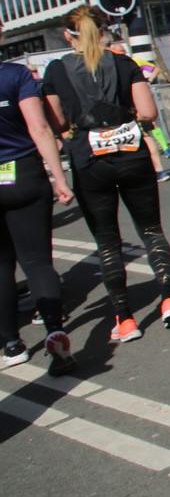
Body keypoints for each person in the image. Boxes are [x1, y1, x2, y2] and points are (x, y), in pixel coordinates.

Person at [42, 7, 170, 341]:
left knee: (107, 241)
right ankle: (169, 301)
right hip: (132, 153)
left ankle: (125, 319)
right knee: (151, 229)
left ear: (68, 36)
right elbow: (148, 112)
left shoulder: (57, 69)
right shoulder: (124, 63)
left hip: (89, 160)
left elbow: (57, 122)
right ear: (104, 32)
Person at [0, 20, 77, 375]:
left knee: (1, 265)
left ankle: (11, 344)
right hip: (23, 172)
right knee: (36, 260)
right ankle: (54, 329)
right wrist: (59, 178)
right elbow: (40, 128)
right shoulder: (15, 75)